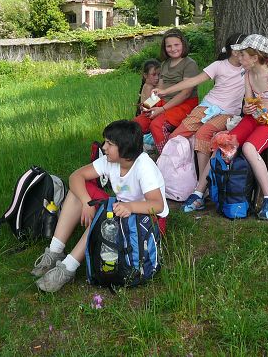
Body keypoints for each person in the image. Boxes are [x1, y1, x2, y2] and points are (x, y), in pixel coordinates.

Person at [32, 120, 168, 293]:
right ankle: (55, 251)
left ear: (124, 148)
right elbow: (76, 176)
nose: (104, 147)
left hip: (149, 221)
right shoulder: (110, 161)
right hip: (123, 208)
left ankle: (68, 268)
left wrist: (130, 207)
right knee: (78, 191)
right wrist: (86, 202)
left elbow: (157, 205)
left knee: (105, 216)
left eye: (110, 144)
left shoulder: (144, 166)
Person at [155, 33, 248, 212]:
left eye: (245, 50)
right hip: (207, 106)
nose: (242, 53)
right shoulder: (219, 65)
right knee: (176, 137)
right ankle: (177, 180)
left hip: (228, 112)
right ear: (232, 50)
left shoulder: (249, 67)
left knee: (203, 133)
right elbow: (193, 81)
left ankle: (202, 188)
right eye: (239, 50)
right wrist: (165, 91)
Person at [222, 34, 268, 220]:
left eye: (242, 55)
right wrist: (247, 108)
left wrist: (264, 107)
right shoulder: (248, 74)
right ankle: (203, 191)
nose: (239, 58)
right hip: (256, 116)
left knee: (249, 147)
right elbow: (249, 103)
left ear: (255, 58)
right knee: (226, 141)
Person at [134, 29, 199, 153]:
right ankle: (136, 155)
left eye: (176, 45)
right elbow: (160, 90)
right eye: (169, 46)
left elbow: (185, 93)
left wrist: (162, 109)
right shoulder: (164, 64)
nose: (173, 49)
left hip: (184, 104)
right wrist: (147, 105)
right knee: (138, 123)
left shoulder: (189, 64)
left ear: (183, 44)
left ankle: (166, 156)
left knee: (157, 125)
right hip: (164, 102)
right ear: (164, 48)